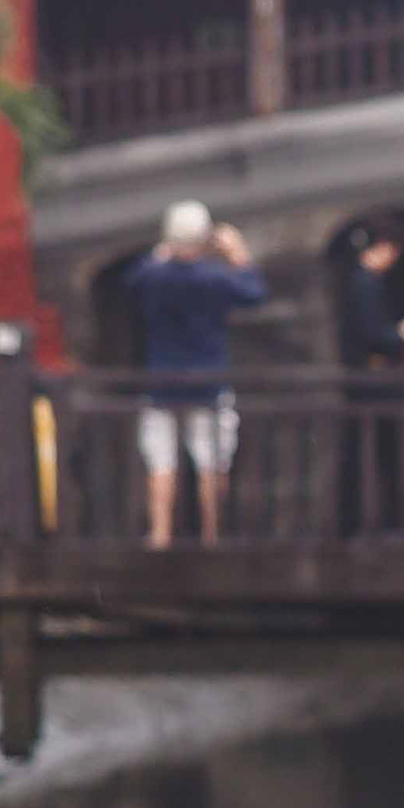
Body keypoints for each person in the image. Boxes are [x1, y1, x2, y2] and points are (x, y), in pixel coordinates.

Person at [130, 200, 267, 549]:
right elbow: (254, 293)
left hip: (161, 380)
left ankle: (161, 534)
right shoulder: (215, 277)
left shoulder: (154, 275)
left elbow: (132, 282)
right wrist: (238, 253)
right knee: (211, 461)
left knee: (161, 461)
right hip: (208, 381)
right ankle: (211, 535)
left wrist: (161, 255)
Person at [331, 221, 404, 537]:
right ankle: (382, 524)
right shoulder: (364, 283)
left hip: (370, 382)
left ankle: (377, 523)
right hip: (373, 384)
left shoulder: (361, 282)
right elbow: (373, 335)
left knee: (375, 453)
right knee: (382, 453)